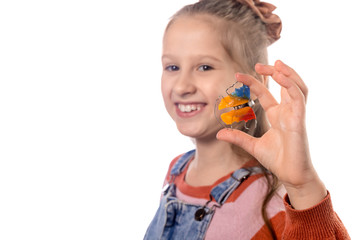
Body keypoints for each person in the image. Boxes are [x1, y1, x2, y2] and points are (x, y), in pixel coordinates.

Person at [144, 0, 350, 239]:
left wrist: (303, 188)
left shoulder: (273, 201)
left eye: (204, 67)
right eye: (172, 67)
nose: (181, 86)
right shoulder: (176, 171)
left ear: (251, 86)